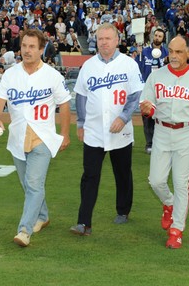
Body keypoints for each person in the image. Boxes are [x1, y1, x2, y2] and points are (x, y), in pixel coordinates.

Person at [0, 29, 72, 247]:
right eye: (24, 46)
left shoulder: (52, 75)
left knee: (34, 184)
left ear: (41, 49)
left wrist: (64, 133)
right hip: (17, 138)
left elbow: (64, 104)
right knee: (28, 185)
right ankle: (42, 217)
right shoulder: (11, 74)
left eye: (32, 46)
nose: (27, 50)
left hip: (42, 139)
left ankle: (24, 230)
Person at [139, 35, 189, 249]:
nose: (173, 55)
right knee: (155, 181)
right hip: (161, 131)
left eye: (179, 52)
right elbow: (149, 104)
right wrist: (147, 109)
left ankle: (176, 230)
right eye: (171, 51)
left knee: (181, 183)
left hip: (186, 132)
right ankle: (169, 204)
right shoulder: (157, 76)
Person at [70, 23, 144, 236]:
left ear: (117, 40)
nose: (104, 42)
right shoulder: (89, 65)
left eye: (108, 38)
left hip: (121, 130)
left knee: (122, 174)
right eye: (100, 38)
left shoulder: (128, 64)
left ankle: (123, 210)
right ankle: (84, 223)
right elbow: (82, 96)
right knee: (90, 175)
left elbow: (135, 95)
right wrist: (81, 123)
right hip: (93, 130)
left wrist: (123, 117)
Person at [136, 28, 168, 154]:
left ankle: (160, 143)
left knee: (162, 117)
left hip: (162, 90)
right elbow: (138, 69)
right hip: (147, 89)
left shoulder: (166, 53)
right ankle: (149, 144)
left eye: (160, 36)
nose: (157, 38)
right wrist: (138, 55)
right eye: (156, 35)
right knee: (147, 117)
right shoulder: (144, 52)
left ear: (163, 38)